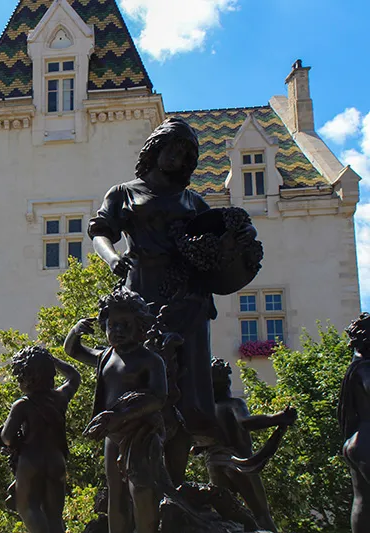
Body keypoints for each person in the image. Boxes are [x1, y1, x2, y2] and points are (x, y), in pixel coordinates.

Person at [88, 116, 238, 485]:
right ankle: (136, 475)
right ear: (155, 149)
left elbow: (219, 251)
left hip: (189, 298)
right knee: (144, 383)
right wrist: (112, 258)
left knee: (187, 390)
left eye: (188, 153)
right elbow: (100, 231)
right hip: (141, 292)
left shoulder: (194, 201)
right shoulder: (123, 192)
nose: (181, 157)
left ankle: (175, 481)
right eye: (175, 148)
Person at [64, 288, 169, 533]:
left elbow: (158, 398)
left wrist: (122, 415)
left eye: (125, 325)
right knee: (116, 492)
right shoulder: (105, 356)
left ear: (140, 326)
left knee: (141, 490)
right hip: (112, 435)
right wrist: (75, 330)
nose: (117, 331)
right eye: (112, 325)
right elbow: (73, 351)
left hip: (139, 432)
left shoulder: (150, 360)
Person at [0, 346, 81, 533]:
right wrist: (54, 360)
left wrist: (9, 439)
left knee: (27, 507)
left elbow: (7, 437)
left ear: (26, 378)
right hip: (56, 459)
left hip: (31, 459)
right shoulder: (60, 398)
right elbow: (74, 377)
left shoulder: (22, 405)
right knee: (54, 515)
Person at [206, 358, 296, 532]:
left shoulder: (209, 409)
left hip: (215, 463)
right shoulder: (234, 404)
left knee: (225, 516)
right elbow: (245, 422)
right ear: (227, 381)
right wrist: (278, 418)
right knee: (261, 514)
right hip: (239, 463)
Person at [339, 313, 370, 533]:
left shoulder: (355, 367)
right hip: (367, 438)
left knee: (363, 500)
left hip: (356, 440)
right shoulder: (365, 367)